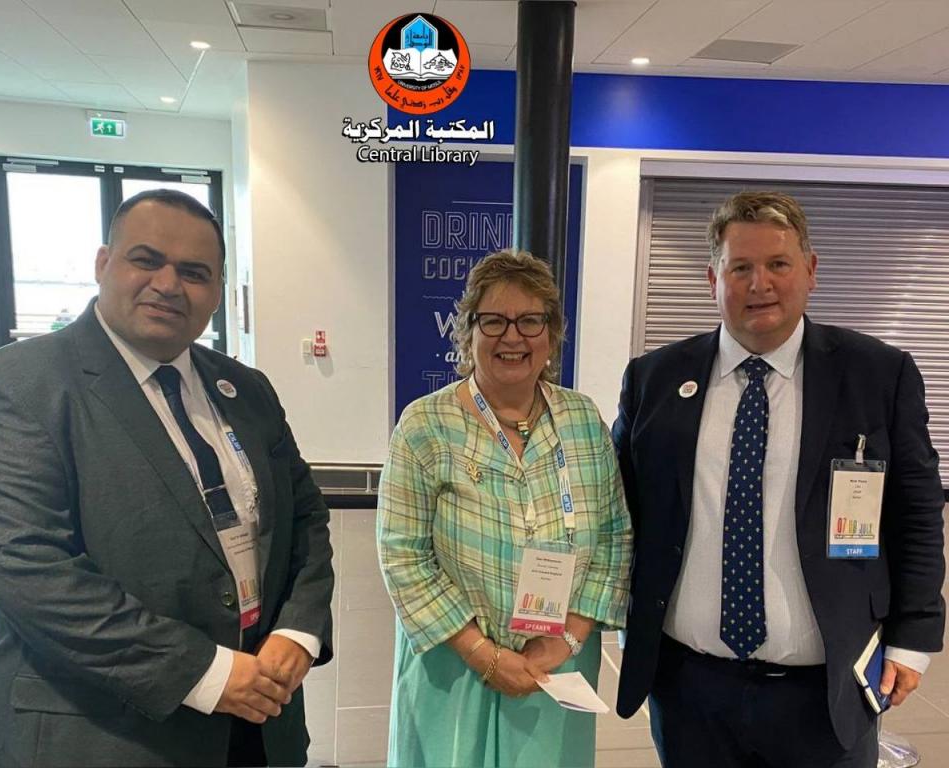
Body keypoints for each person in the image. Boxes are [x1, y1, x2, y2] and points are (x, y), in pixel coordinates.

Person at [0, 189, 334, 767]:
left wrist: (298, 632)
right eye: (146, 260)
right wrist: (206, 672)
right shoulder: (10, 387)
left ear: (218, 292)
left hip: (258, 722)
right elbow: (29, 569)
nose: (169, 285)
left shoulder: (246, 389)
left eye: (195, 273)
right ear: (104, 264)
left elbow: (305, 518)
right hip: (102, 734)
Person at [612, 190, 945, 767]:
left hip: (825, 691)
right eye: (740, 267)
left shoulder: (877, 374)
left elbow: (916, 513)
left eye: (778, 264)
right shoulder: (655, 379)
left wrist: (914, 635)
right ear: (712, 279)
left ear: (810, 271)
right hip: (689, 689)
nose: (759, 284)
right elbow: (618, 510)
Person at [377, 249, 632, 767]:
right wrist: (481, 652)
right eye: (494, 320)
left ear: (551, 334)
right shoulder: (425, 426)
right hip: (454, 664)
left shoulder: (583, 420)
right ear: (467, 331)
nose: (512, 337)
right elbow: (402, 554)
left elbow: (613, 536)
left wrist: (568, 638)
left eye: (530, 321)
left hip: (554, 666)